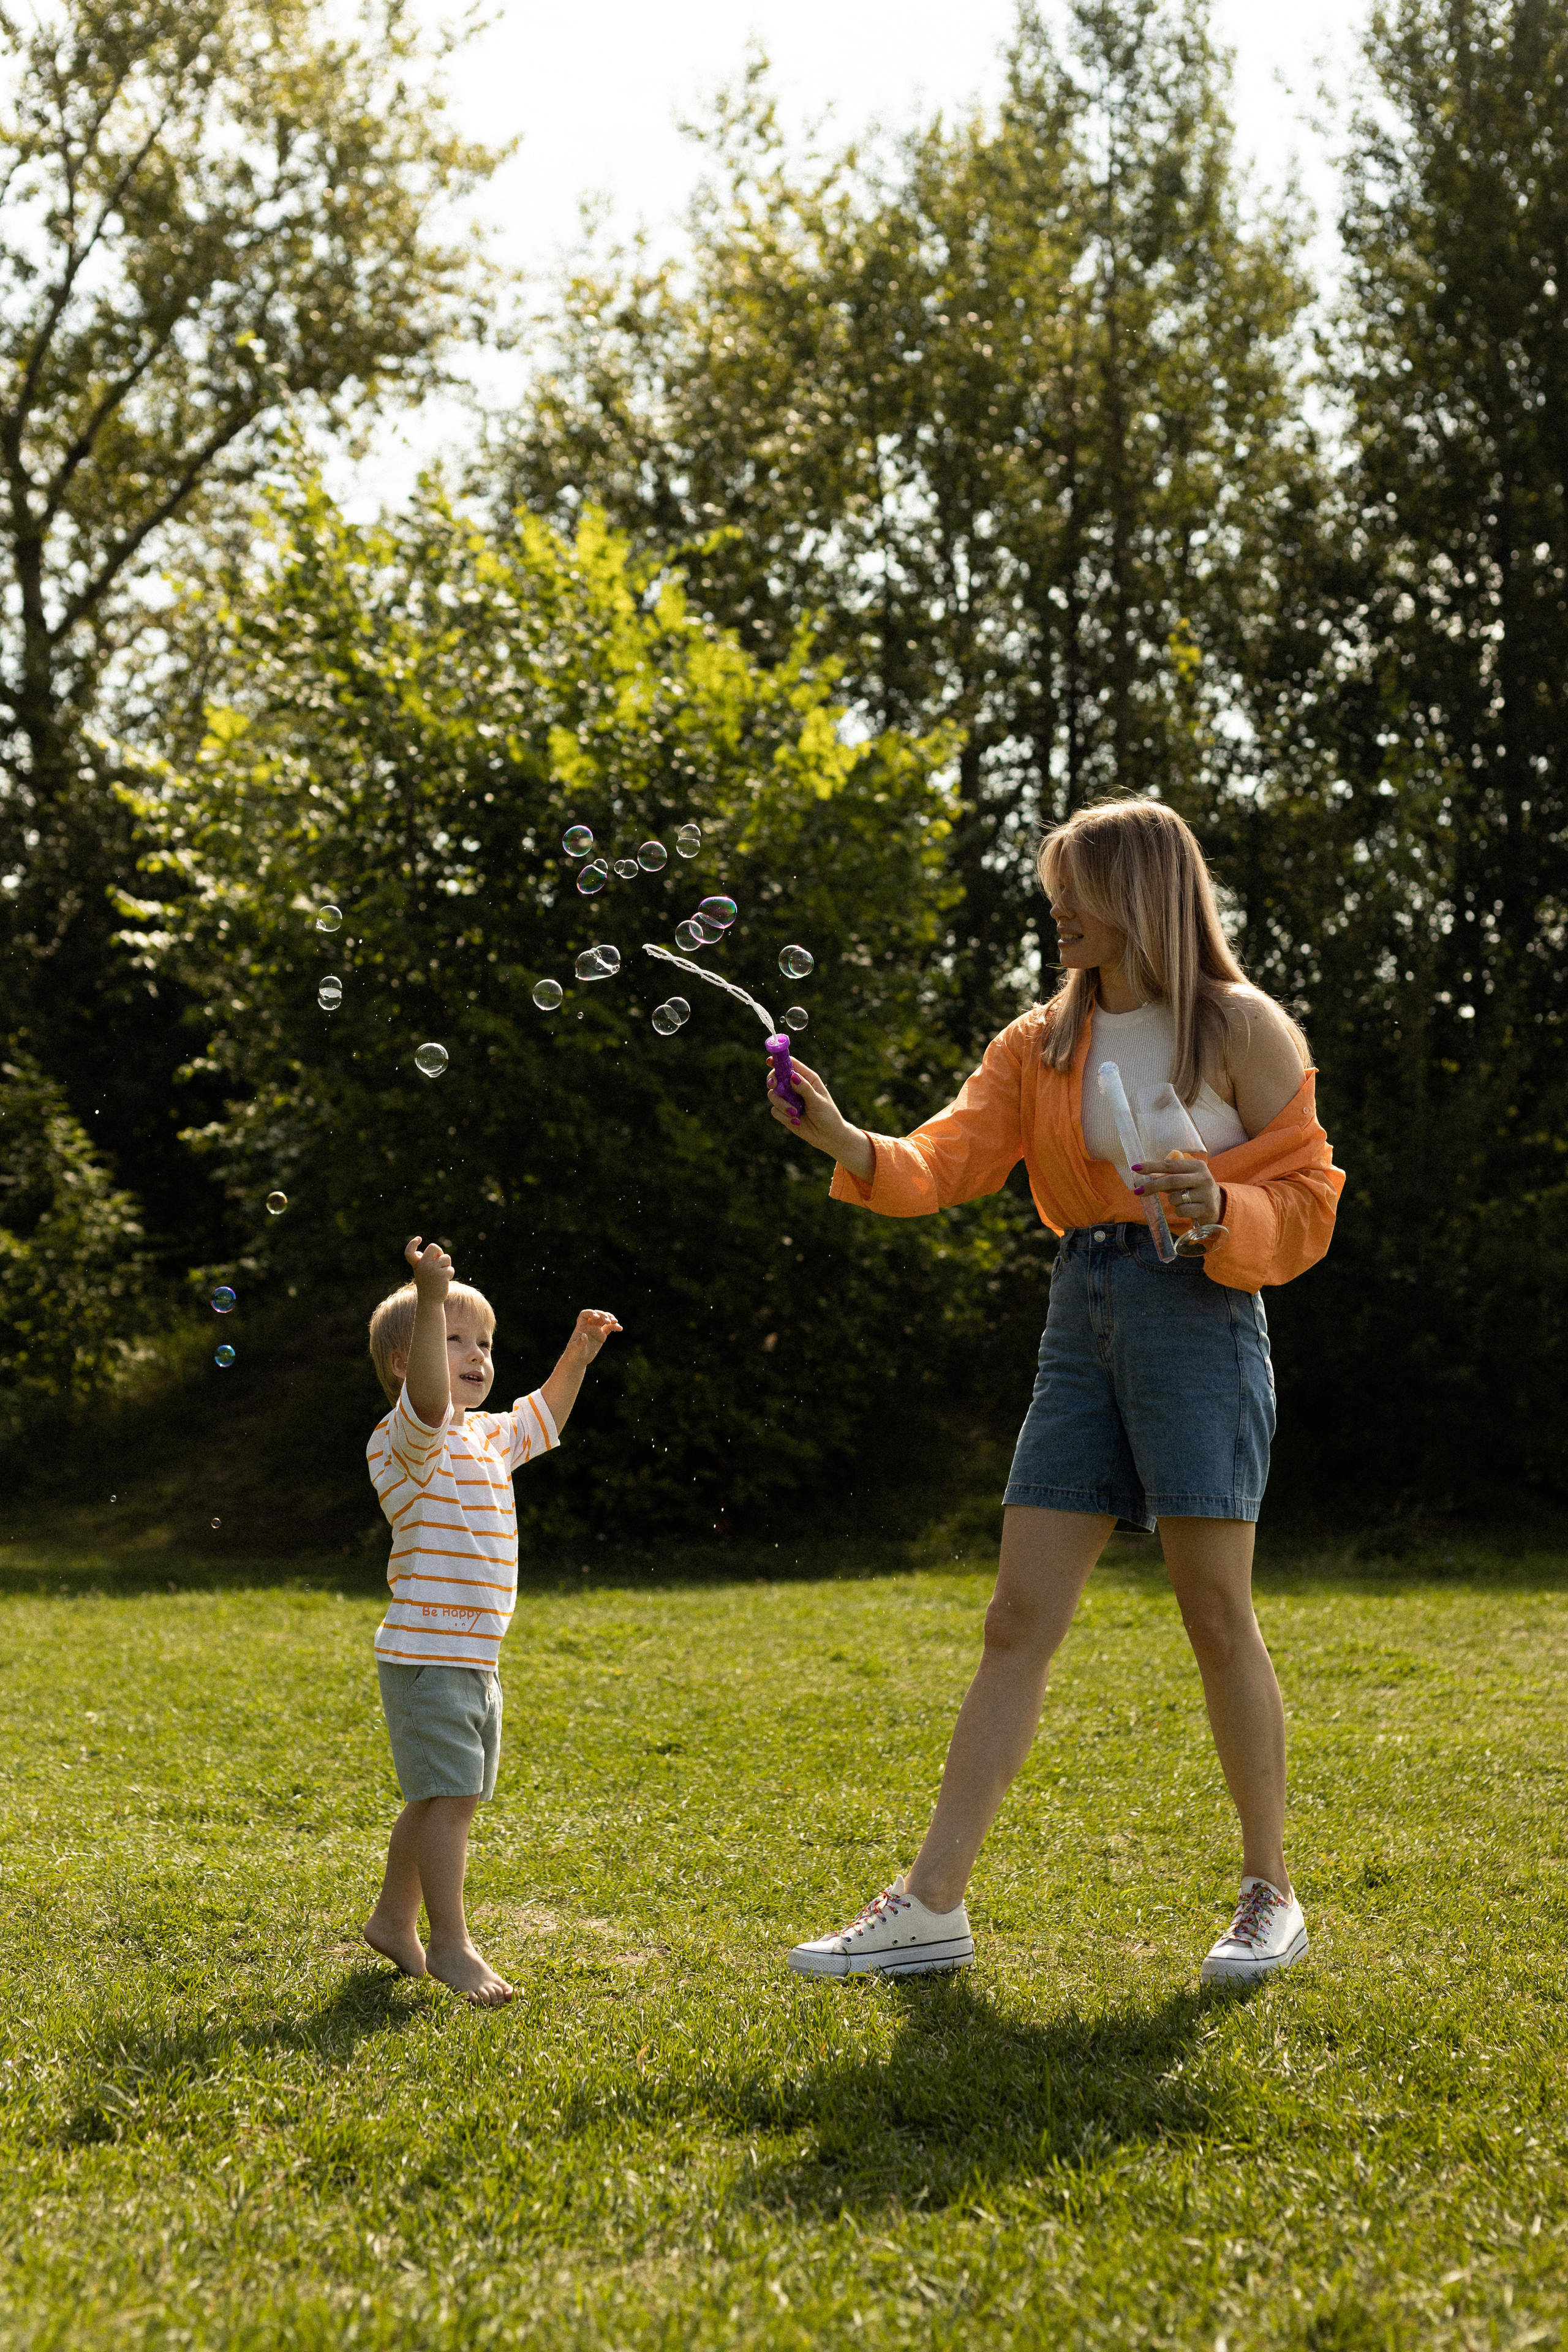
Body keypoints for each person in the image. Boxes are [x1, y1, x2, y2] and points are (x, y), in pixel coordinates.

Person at [769, 798, 1343, 1986]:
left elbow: (1307, 1200)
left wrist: (1219, 1209)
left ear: (1139, 894)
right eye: (1053, 890)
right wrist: (838, 1137)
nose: (1056, 911)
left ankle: (1267, 1892)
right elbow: (943, 1160)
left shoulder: (1241, 1029)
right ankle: (930, 1904)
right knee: (1014, 1620)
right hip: (1077, 1324)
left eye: (1073, 889)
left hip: (1198, 1321)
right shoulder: (1038, 1041)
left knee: (1212, 1614)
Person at [360, 1235, 620, 2006]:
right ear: (406, 1365)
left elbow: (541, 1418)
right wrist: (431, 1293)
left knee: (444, 1795)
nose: (476, 1355)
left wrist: (574, 1358)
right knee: (452, 1800)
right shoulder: (410, 1440)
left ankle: (390, 1920)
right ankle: (450, 1942)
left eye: (485, 1342)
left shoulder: (485, 1438)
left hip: (473, 1655)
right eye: (453, 1339)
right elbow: (432, 1403)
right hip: (428, 1653)